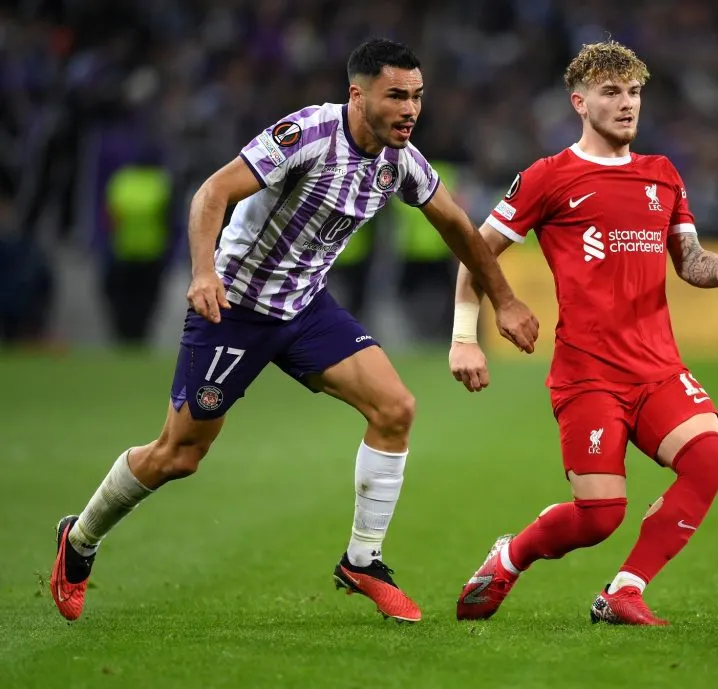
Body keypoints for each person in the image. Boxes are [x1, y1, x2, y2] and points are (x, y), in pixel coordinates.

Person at [50, 38, 539, 625]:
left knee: (395, 408)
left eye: (417, 97)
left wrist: (505, 301)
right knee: (179, 455)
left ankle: (363, 560)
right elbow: (213, 192)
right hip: (233, 308)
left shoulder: (401, 161)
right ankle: (78, 540)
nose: (410, 109)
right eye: (396, 96)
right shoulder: (306, 134)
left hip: (305, 310)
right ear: (357, 96)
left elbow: (459, 227)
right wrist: (204, 271)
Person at [449, 40, 718, 626]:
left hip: (657, 368)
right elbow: (475, 253)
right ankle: (510, 556)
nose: (627, 104)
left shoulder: (662, 175)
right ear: (580, 101)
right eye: (612, 92)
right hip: (588, 374)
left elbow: (689, 262)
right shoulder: (549, 177)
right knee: (600, 516)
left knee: (709, 461)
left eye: (635, 92)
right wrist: (467, 334)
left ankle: (624, 590)